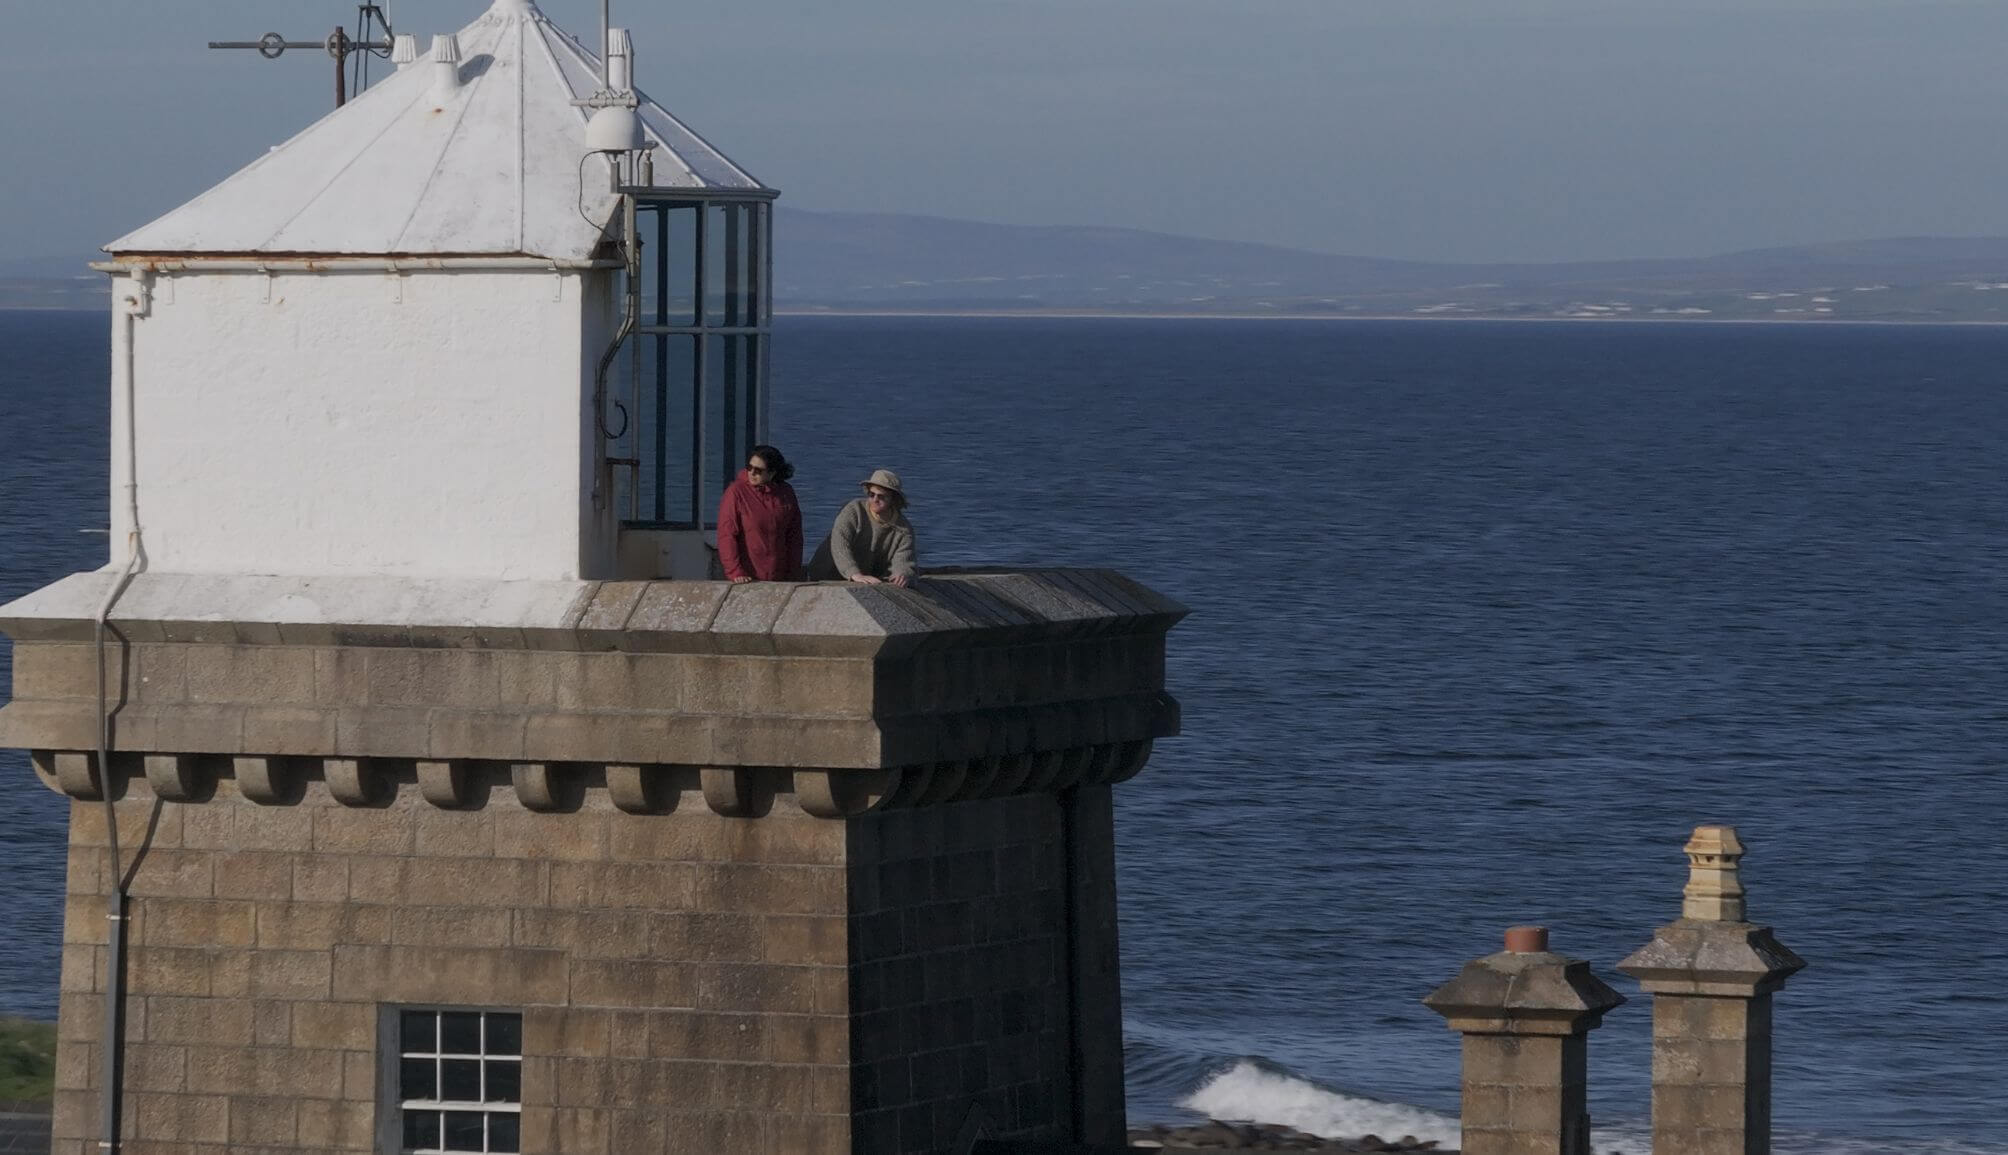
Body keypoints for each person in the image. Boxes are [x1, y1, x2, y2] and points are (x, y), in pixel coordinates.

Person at [808, 468, 918, 587]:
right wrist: (854, 573)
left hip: (867, 576)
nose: (875, 500)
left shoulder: (903, 529)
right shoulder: (854, 511)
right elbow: (840, 543)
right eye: (872, 495)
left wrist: (902, 574)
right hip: (825, 573)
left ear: (893, 499)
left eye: (881, 496)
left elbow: (904, 558)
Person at [716, 444, 804, 583]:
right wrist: (735, 571)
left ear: (772, 472)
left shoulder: (786, 493)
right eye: (749, 467)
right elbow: (726, 536)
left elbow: (794, 536)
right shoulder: (736, 492)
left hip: (780, 577)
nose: (751, 473)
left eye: (758, 470)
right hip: (748, 577)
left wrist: (793, 573)